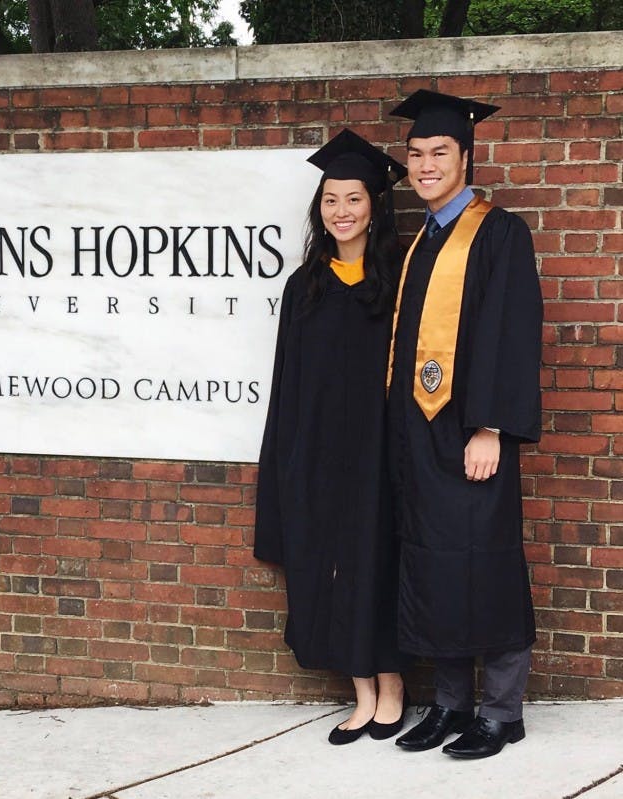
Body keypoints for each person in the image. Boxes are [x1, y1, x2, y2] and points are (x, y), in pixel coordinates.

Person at [386, 90, 543, 759]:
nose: (424, 165)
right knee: (434, 565)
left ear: (466, 156)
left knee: (489, 564)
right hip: (421, 434)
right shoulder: (422, 240)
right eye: (416, 154)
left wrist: (491, 427)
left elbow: (511, 333)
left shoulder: (499, 232)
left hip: (471, 433)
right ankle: (451, 705)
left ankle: (502, 711)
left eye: (438, 153)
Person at [255, 129, 410, 745]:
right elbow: (287, 377)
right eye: (330, 200)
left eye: (353, 198)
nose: (341, 211)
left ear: (375, 204)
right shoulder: (306, 285)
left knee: (381, 559)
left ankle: (392, 684)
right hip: (319, 451)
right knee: (335, 566)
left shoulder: (398, 279)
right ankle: (362, 691)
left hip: (380, 451)